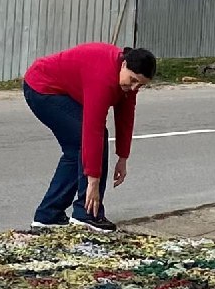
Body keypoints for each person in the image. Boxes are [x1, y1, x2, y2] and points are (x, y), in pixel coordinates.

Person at [20, 41, 157, 229]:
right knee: (87, 142)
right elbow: (93, 130)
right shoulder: (103, 77)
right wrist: (93, 182)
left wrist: (123, 158)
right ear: (124, 65)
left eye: (140, 85)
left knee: (75, 150)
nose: (134, 88)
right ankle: (87, 214)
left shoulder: (126, 82)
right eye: (132, 80)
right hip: (42, 87)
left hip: (63, 91)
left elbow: (126, 117)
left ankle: (48, 215)